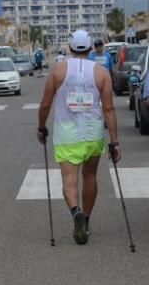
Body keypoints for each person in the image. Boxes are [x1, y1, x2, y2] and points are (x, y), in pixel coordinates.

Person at [37, 29, 120, 244]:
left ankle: (76, 214)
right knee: (90, 176)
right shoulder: (101, 72)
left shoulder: (58, 70)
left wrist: (41, 127)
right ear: (91, 47)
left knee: (69, 179)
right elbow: (109, 109)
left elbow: (46, 103)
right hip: (93, 133)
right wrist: (114, 141)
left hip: (67, 134)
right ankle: (87, 220)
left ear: (70, 48)